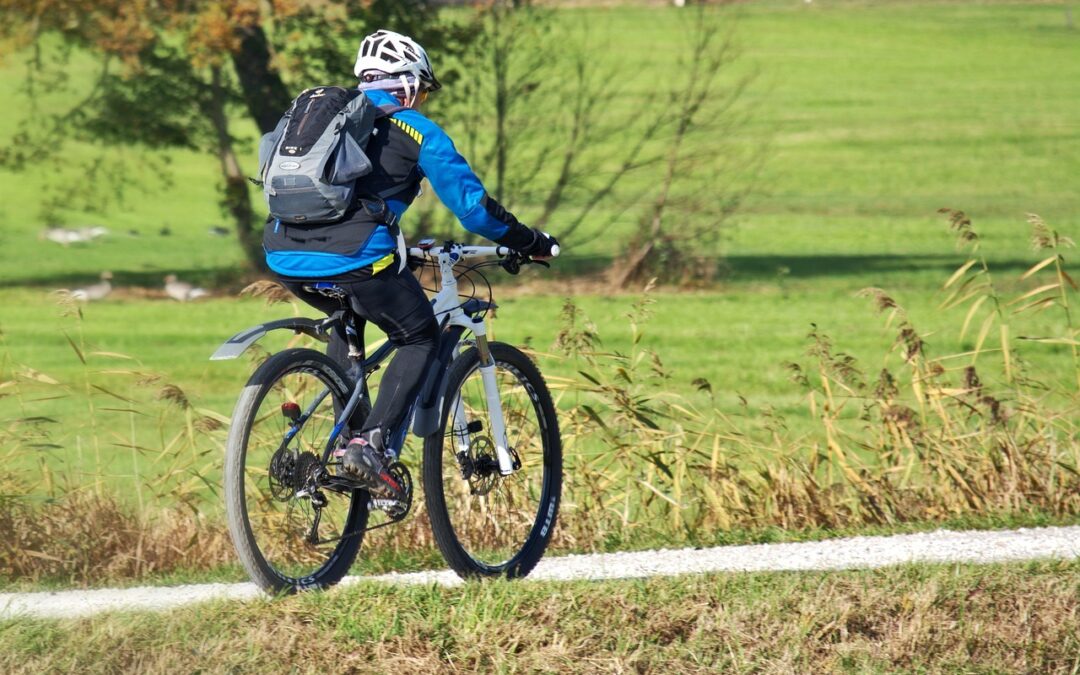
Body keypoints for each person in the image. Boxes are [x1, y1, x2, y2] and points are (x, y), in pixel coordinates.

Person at [263, 29, 558, 496]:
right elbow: (474, 209)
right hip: (358, 257)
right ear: (406, 84)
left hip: (283, 255)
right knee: (418, 334)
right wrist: (530, 241)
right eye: (420, 89)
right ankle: (371, 444)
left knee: (349, 316)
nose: (419, 99)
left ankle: (341, 442)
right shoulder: (415, 129)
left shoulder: (321, 120)